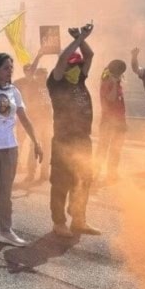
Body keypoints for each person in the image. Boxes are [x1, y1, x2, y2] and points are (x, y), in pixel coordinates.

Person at [0, 53, 43, 252]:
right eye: (5, 67)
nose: (10, 70)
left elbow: (24, 117)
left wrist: (36, 141)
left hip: (10, 146)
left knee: (6, 192)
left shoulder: (14, 90)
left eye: (11, 67)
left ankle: (5, 231)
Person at [47, 25, 100, 238]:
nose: (77, 69)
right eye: (73, 66)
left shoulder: (80, 79)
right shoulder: (56, 82)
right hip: (63, 141)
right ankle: (59, 223)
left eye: (79, 66)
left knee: (84, 180)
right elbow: (62, 60)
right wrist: (75, 42)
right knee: (61, 182)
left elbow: (90, 54)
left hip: (83, 140)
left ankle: (79, 220)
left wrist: (82, 37)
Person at [12, 50, 52, 183]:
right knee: (34, 146)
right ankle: (31, 172)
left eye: (45, 75)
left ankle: (45, 173)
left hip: (48, 121)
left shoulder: (49, 86)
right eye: (42, 75)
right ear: (37, 76)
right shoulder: (33, 84)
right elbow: (31, 73)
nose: (44, 77)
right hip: (35, 120)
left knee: (47, 146)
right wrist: (39, 55)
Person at [96, 59, 128, 184]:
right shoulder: (106, 82)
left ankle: (112, 172)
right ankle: (96, 170)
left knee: (116, 148)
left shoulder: (116, 82)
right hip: (108, 121)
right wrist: (114, 84)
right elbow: (110, 98)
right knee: (103, 148)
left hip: (119, 120)